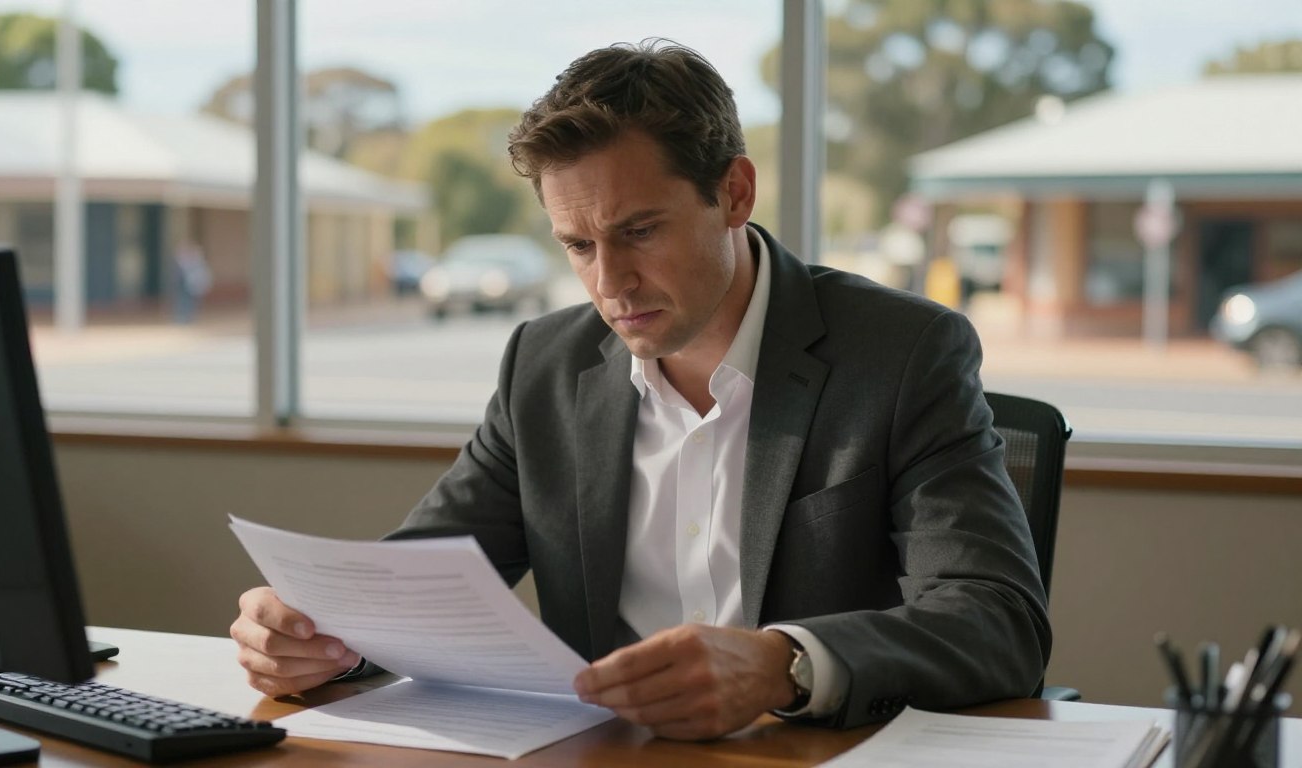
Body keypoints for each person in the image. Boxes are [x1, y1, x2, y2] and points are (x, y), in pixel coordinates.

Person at [231, 40, 1050, 740]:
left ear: (734, 193)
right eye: (578, 245)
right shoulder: (544, 366)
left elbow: (998, 618)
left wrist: (785, 665)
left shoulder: (903, 354)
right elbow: (419, 585)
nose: (609, 282)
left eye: (640, 231)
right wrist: (322, 635)